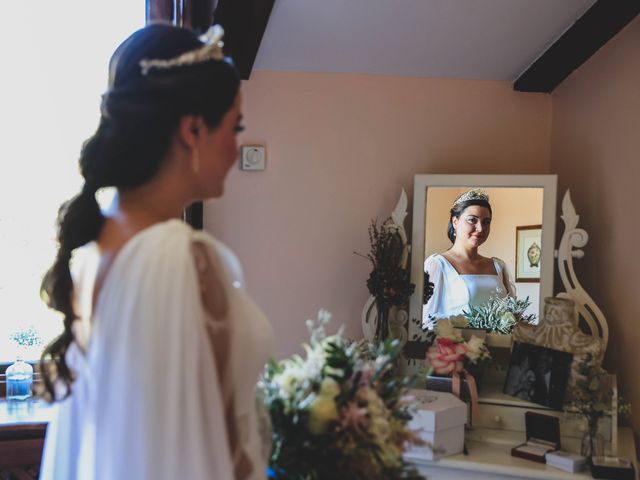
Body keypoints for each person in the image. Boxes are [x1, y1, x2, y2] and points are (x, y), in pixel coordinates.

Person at [38, 23, 273, 480]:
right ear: (192, 129)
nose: (236, 145)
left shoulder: (96, 249)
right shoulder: (177, 259)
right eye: (234, 125)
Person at [422, 189, 516, 329]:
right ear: (455, 222)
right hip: (459, 347)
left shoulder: (498, 266)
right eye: (472, 220)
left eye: (486, 222)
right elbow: (426, 321)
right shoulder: (438, 264)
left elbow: (512, 314)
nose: (480, 228)